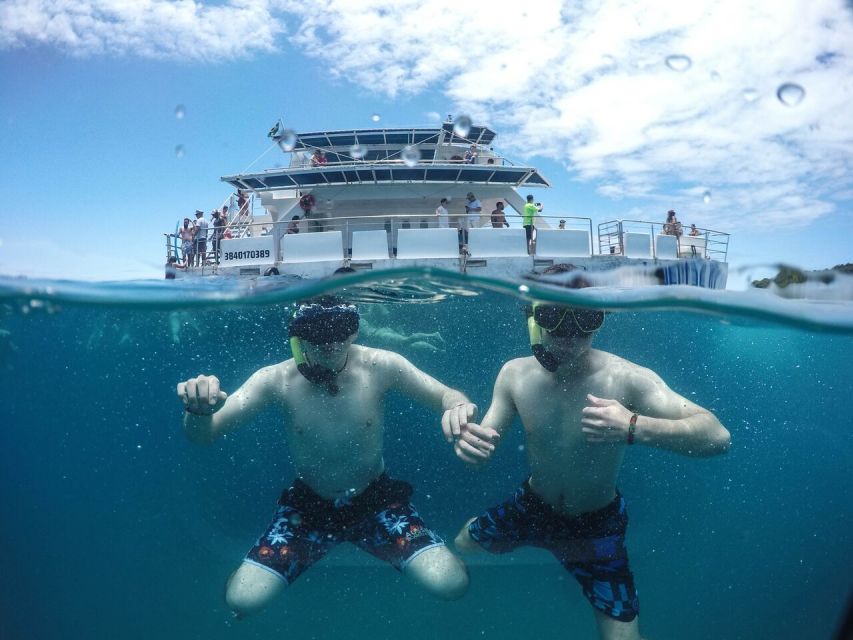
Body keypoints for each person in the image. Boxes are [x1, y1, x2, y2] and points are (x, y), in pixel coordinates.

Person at [448, 265, 731, 640]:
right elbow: (489, 434)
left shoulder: (625, 378)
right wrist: (475, 445)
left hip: (597, 524)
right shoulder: (514, 374)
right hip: (532, 507)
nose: (569, 333)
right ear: (533, 318)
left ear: (602, 319)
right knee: (462, 543)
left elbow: (717, 436)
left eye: (584, 318)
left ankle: (576, 568)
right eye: (553, 316)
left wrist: (635, 426)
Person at [176, 296, 473, 618]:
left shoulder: (381, 365)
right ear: (297, 334)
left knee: (451, 587)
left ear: (354, 330)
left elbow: (447, 394)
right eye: (316, 331)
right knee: (242, 602)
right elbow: (204, 435)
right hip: (309, 507)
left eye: (341, 328)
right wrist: (198, 411)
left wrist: (457, 407)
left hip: (376, 500)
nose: (330, 341)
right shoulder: (275, 379)